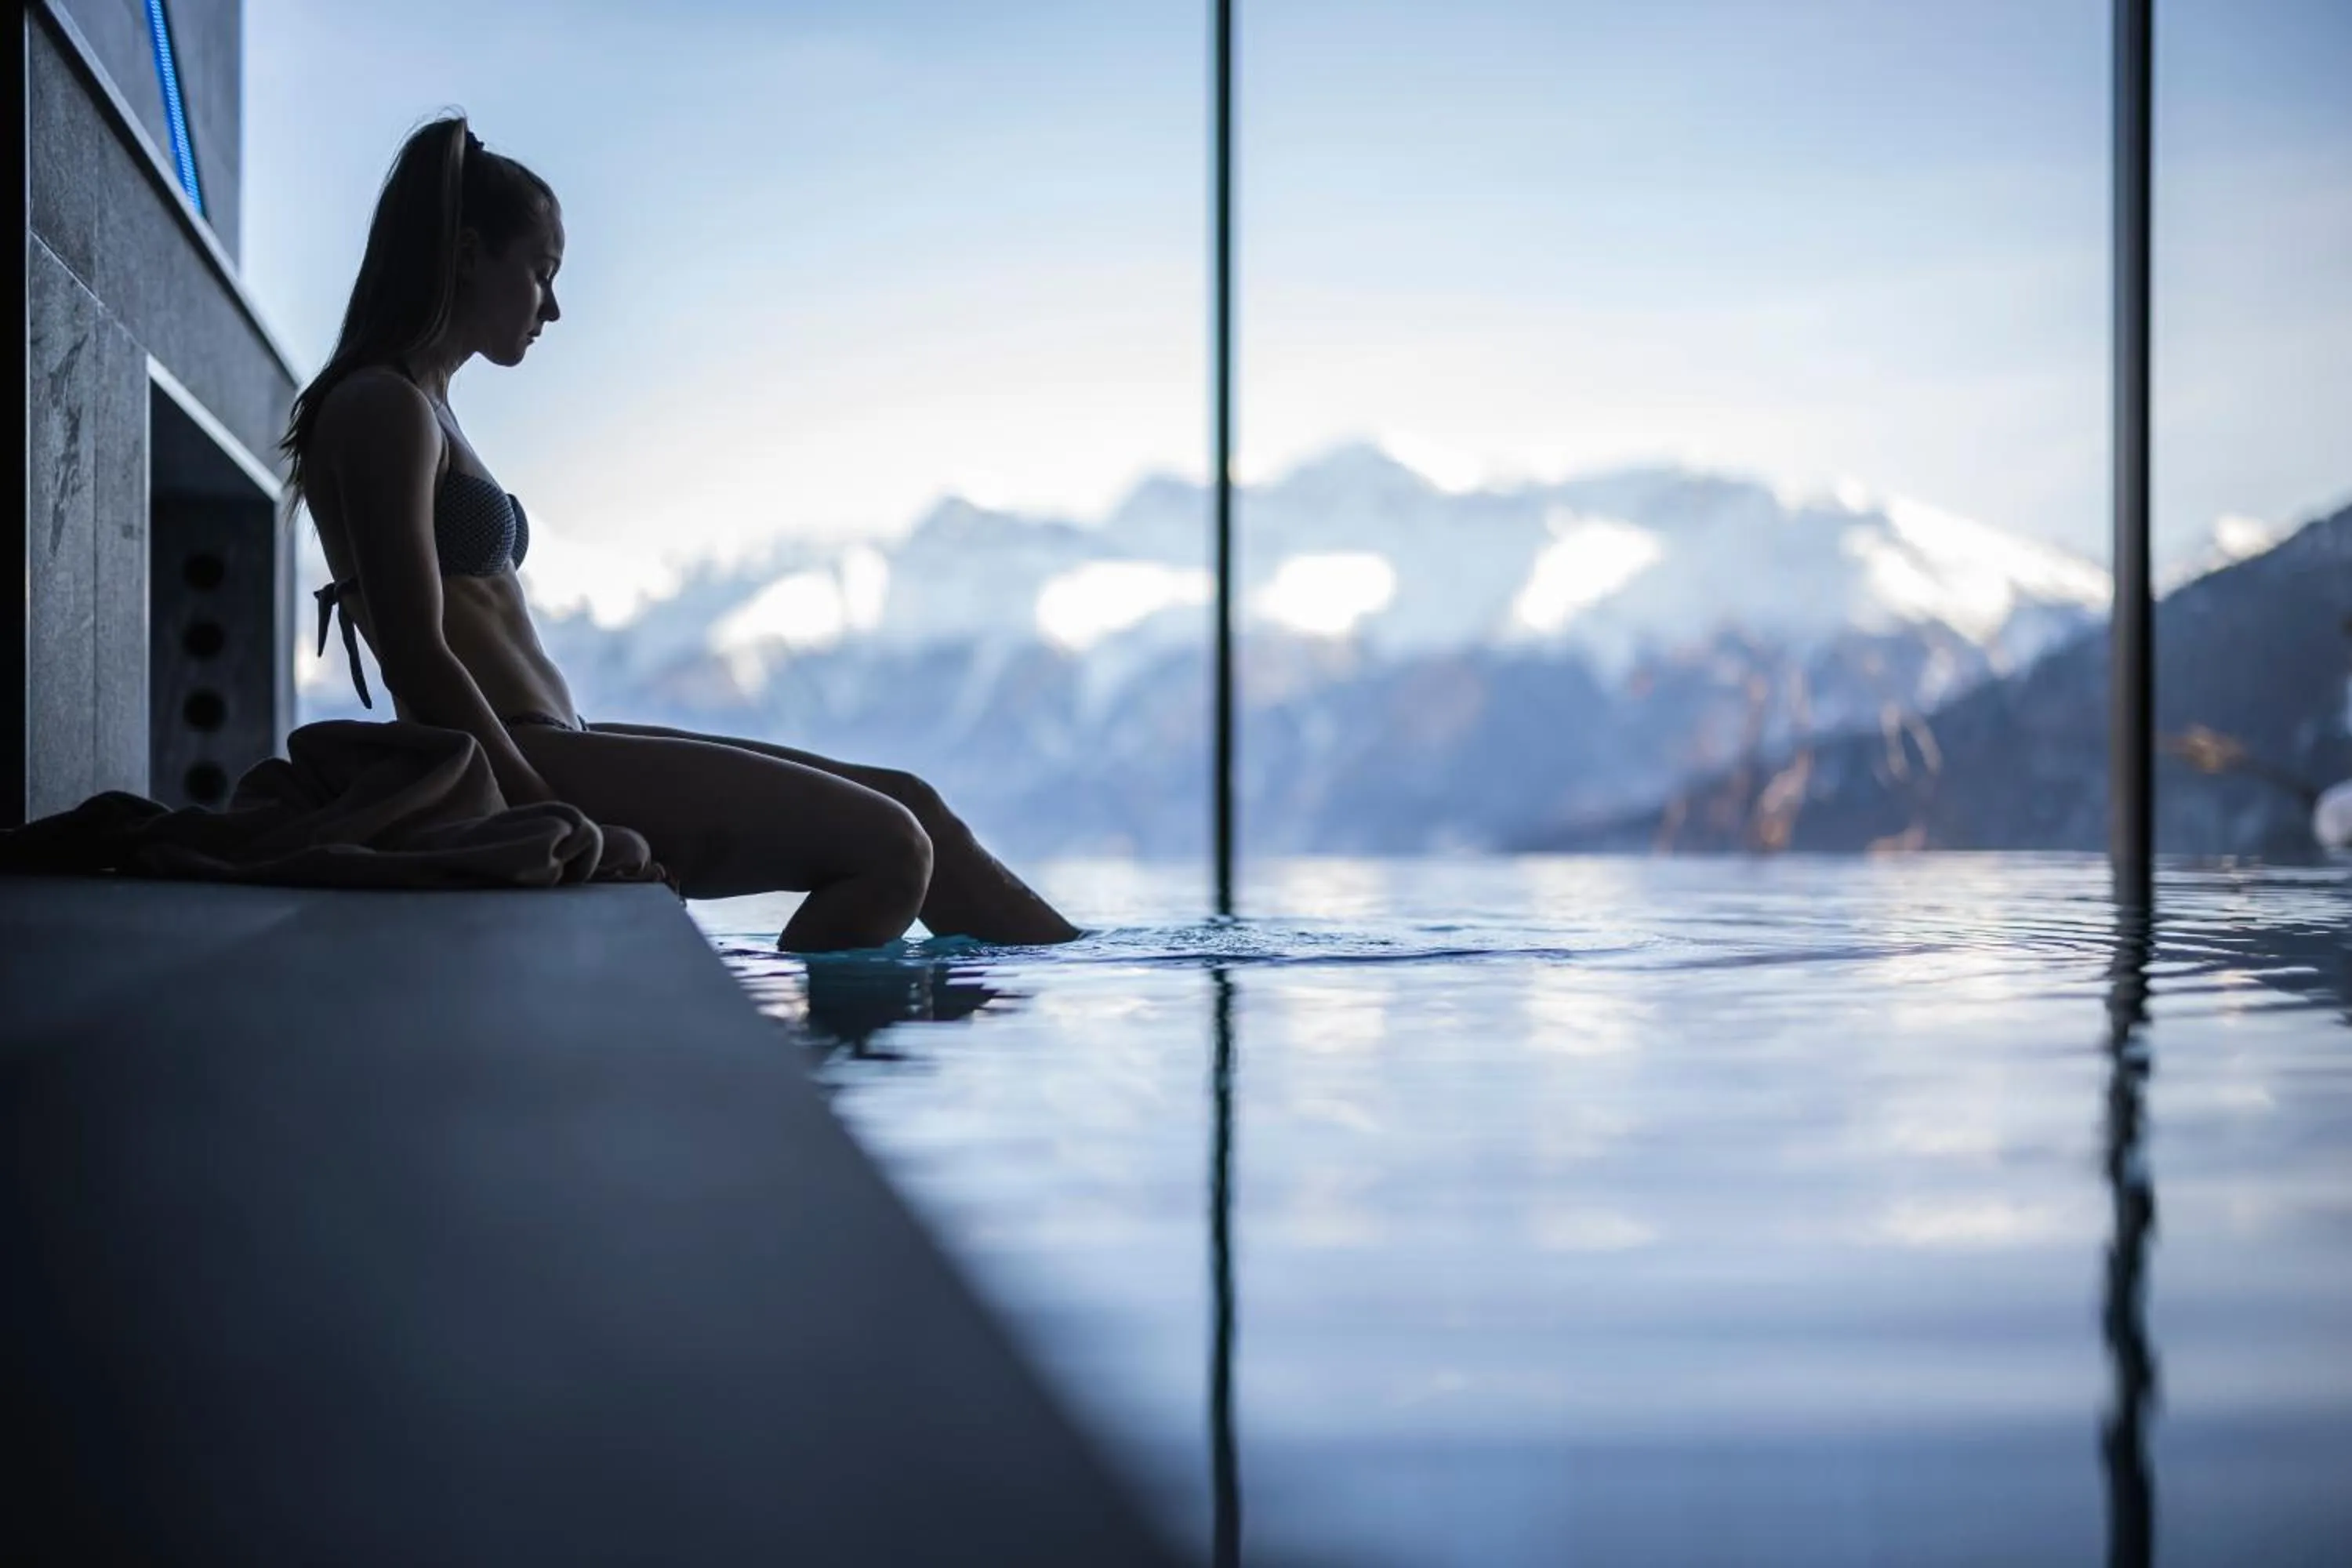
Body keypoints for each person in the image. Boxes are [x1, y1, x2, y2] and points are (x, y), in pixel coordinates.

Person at [286, 115, 1080, 952]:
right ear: (469, 253)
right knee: (891, 848)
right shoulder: (386, 406)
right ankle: (801, 1074)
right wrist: (541, 807)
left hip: (563, 740)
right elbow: (416, 649)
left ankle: (1073, 988)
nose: (552, 307)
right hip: (520, 758)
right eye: (541, 272)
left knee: (913, 803)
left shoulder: (426, 405)